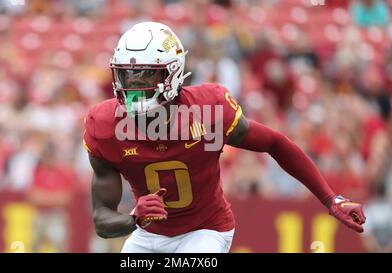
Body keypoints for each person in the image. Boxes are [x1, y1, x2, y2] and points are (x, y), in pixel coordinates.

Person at [83, 22, 366, 253]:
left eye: (144, 76)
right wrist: (134, 218)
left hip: (205, 231)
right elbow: (101, 219)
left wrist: (331, 199)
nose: (133, 87)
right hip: (148, 236)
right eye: (127, 76)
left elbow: (275, 143)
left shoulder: (207, 112)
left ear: (171, 74)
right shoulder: (105, 126)